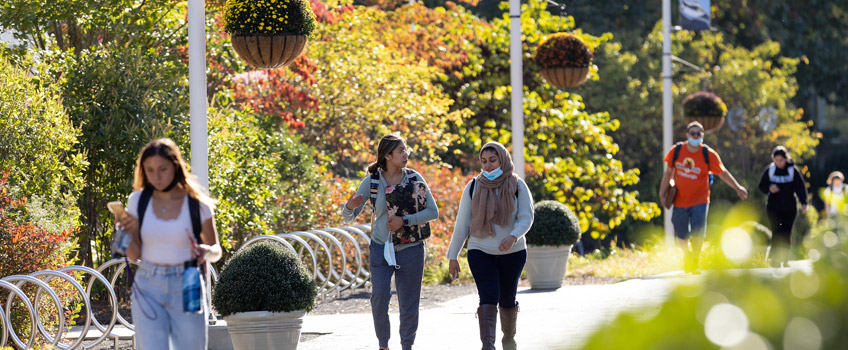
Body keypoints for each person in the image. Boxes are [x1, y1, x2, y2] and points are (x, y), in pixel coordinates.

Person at [115, 138, 222, 350]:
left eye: (162, 169)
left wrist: (206, 251)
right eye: (150, 170)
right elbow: (134, 255)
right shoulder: (138, 201)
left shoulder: (197, 204)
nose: (156, 176)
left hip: (188, 281)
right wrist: (127, 230)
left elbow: (217, 250)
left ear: (176, 166)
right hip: (148, 283)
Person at [341, 134, 439, 350]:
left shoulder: (414, 179)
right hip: (380, 248)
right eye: (401, 151)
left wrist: (404, 221)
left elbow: (433, 212)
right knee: (379, 297)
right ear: (387, 155)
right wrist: (349, 206)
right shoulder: (373, 181)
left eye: (406, 150)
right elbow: (348, 217)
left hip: (411, 249)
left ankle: (406, 346)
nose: (406, 154)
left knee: (409, 304)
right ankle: (383, 345)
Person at [447, 142, 534, 350]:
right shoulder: (473, 187)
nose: (487, 166)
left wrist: (513, 236)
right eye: (484, 162)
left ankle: (509, 338)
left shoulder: (517, 185)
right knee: (487, 296)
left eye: (492, 161)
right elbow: (463, 224)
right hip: (480, 250)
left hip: (512, 252)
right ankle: (488, 345)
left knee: (507, 299)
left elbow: (526, 217)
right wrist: (453, 256)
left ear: (502, 160)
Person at [659, 121, 748, 273]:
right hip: (679, 200)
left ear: (702, 136)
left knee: (698, 231)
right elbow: (668, 174)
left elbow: (723, 173)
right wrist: (662, 193)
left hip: (700, 200)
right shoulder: (677, 151)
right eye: (692, 133)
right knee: (680, 233)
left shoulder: (708, 154)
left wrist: (737, 187)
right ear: (687, 135)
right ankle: (687, 256)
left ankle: (695, 260)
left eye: (698, 134)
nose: (695, 136)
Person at [757, 146, 808, 267]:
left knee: (786, 232)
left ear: (786, 159)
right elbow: (761, 185)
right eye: (776, 160)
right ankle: (774, 259)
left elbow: (800, 188)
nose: (779, 163)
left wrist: (804, 203)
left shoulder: (792, 171)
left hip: (789, 208)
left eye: (781, 160)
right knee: (776, 231)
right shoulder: (770, 170)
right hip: (774, 208)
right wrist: (769, 188)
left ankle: (785, 259)